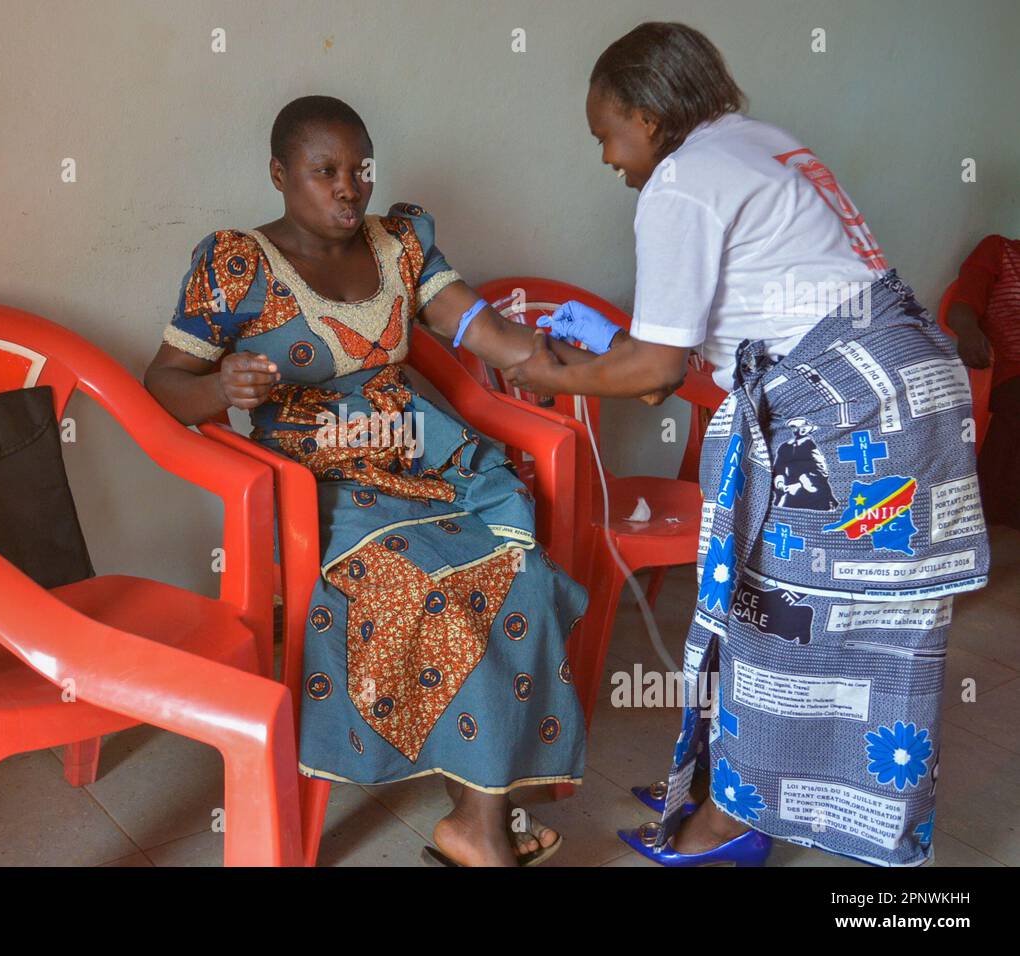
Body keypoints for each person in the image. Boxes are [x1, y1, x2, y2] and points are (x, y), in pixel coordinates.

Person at [502, 22, 990, 866]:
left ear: (649, 118)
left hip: (845, 420)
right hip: (900, 391)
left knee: (782, 623)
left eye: (607, 134)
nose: (608, 158)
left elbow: (654, 369)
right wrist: (611, 347)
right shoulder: (760, 144)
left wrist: (560, 373)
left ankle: (734, 824)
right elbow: (685, 356)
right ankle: (735, 782)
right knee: (839, 630)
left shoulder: (681, 183)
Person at [144, 96, 590, 866]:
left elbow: (482, 331)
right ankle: (483, 826)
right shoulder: (235, 266)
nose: (350, 189)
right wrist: (223, 389)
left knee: (519, 568)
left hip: (427, 455)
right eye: (326, 172)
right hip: (317, 481)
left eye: (360, 171)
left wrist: (571, 361)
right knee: (427, 583)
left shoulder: (400, 242)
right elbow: (162, 382)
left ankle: (475, 819)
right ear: (281, 175)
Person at [946, 233, 1020, 530]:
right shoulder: (999, 250)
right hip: (1010, 369)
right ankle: (993, 505)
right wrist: (968, 331)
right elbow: (962, 307)